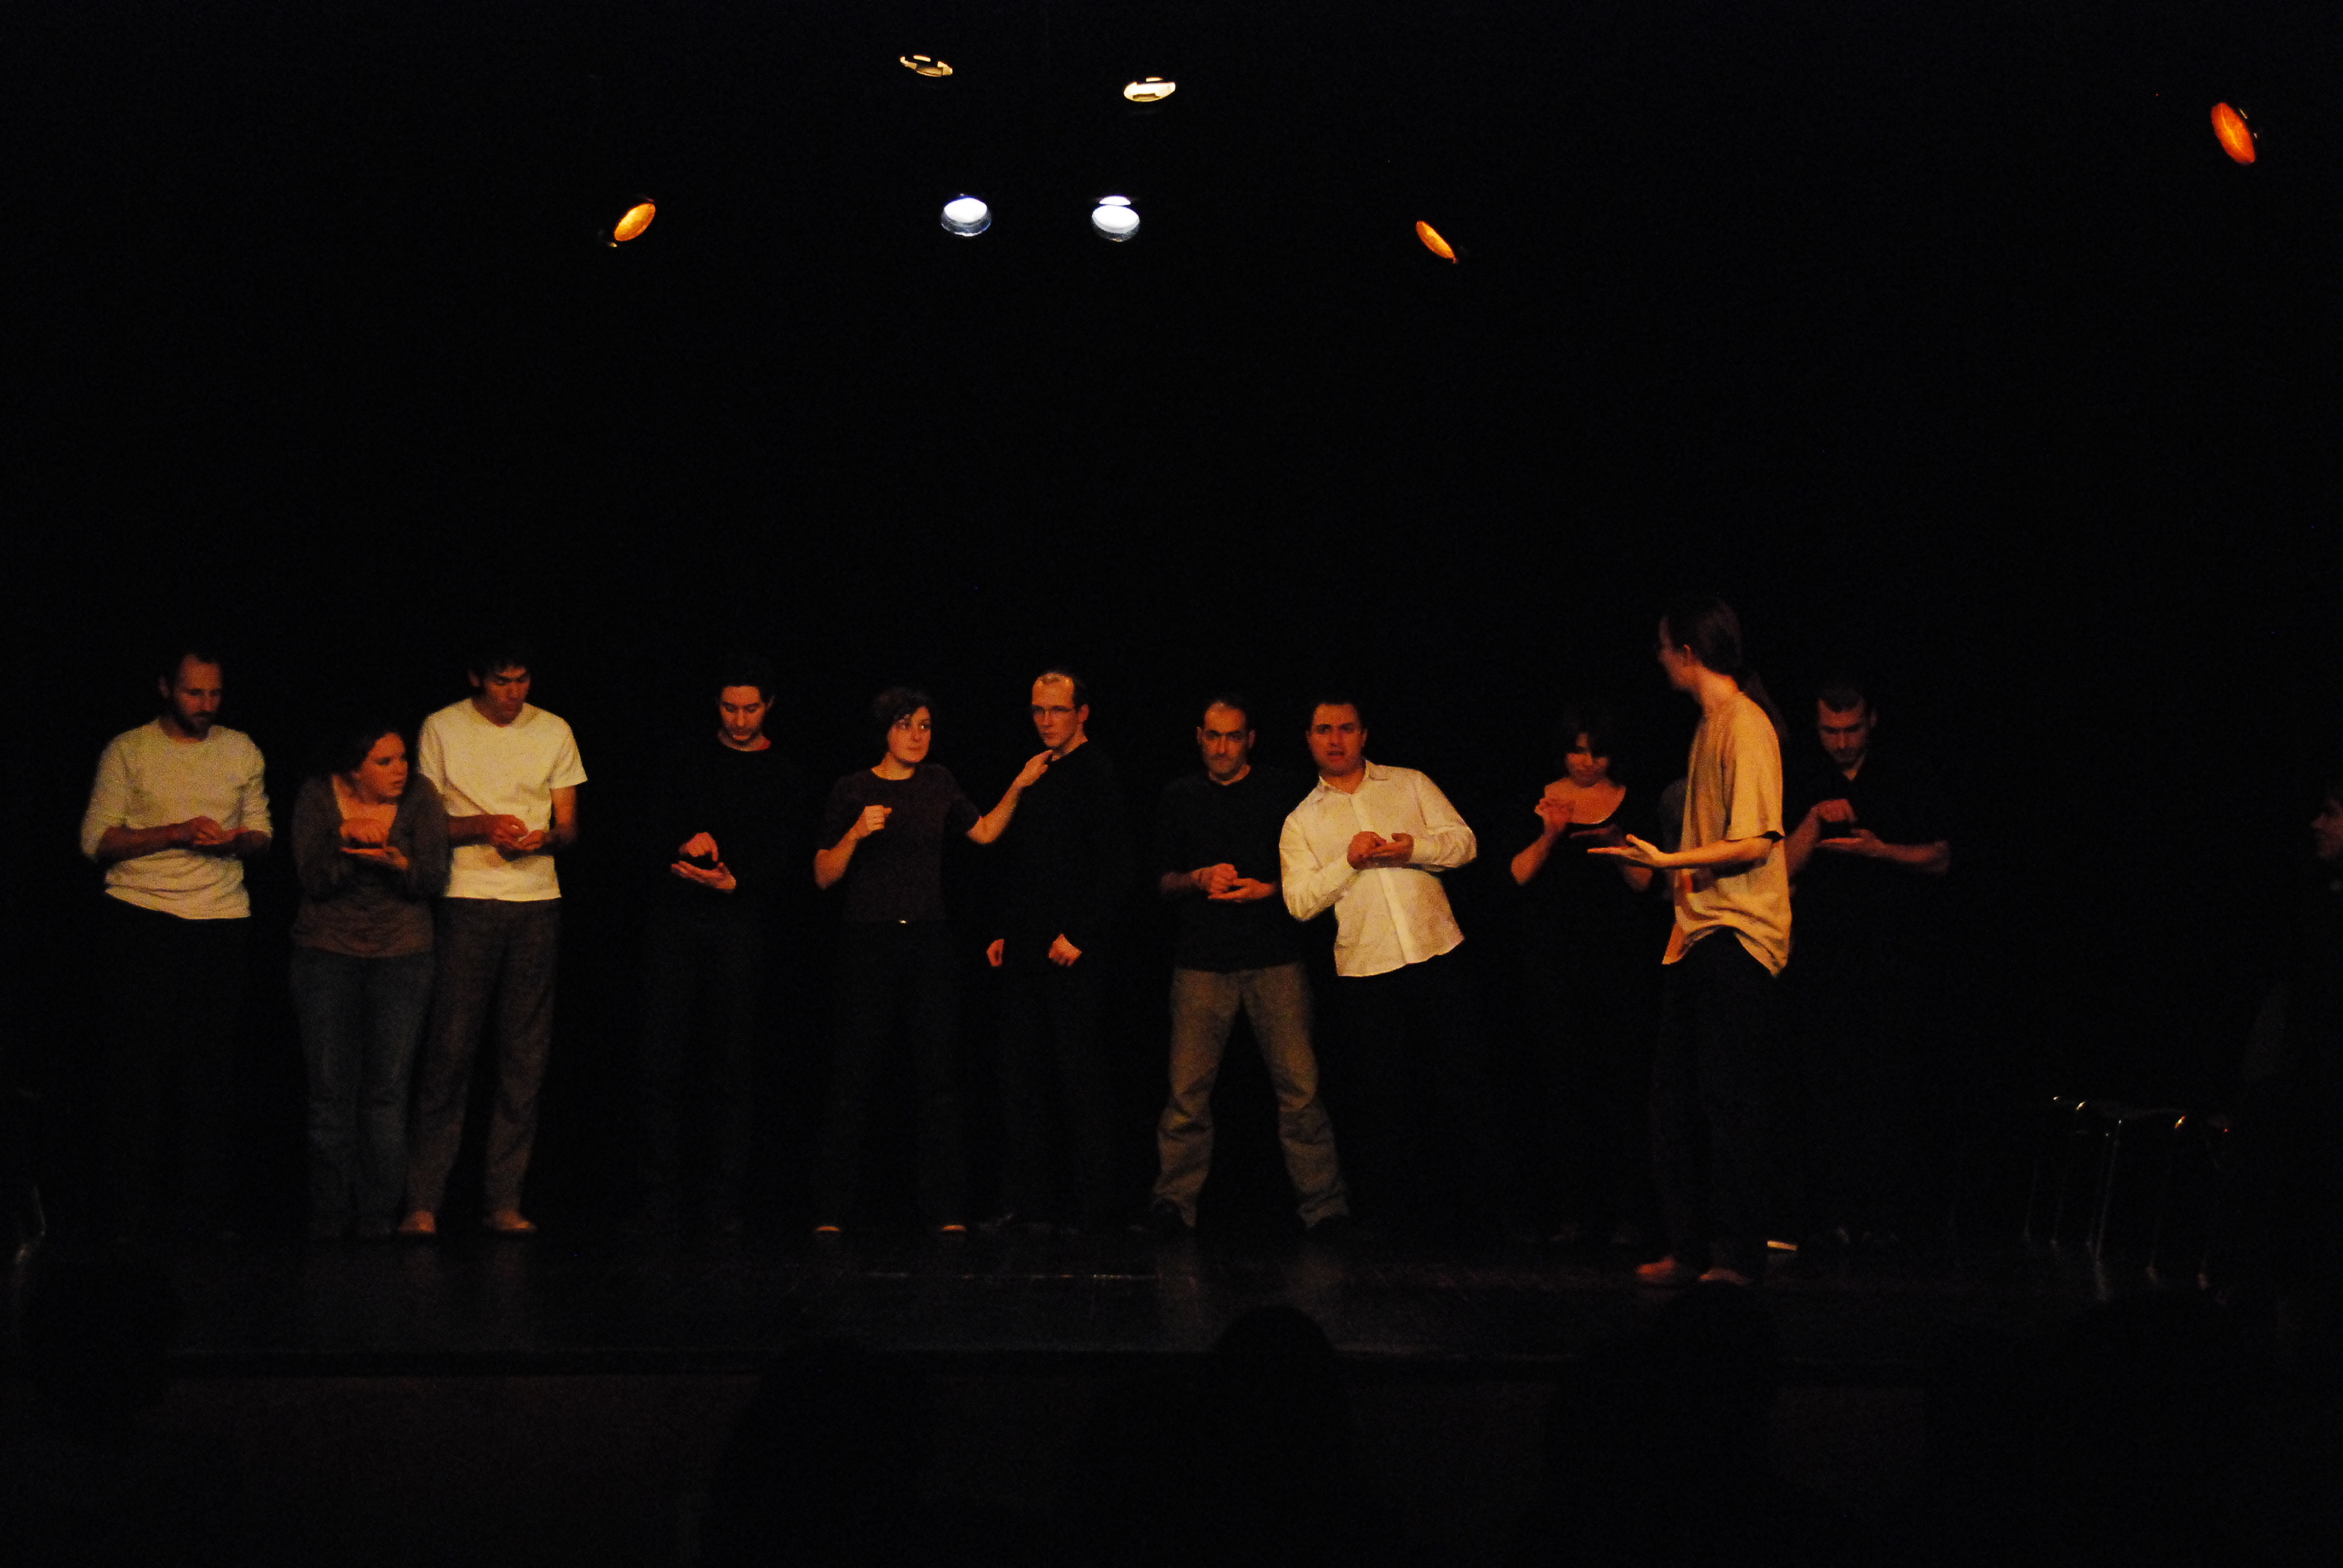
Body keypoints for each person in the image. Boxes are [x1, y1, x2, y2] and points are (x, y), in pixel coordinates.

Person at [1593, 596, 1791, 1286]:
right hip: (1697, 932)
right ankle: (1689, 1248)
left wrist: (1668, 860)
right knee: (1672, 1102)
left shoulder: (1746, 725)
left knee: (1728, 1100)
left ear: (1687, 652)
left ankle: (1735, 1256)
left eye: (1663, 646)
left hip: (1738, 932)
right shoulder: (1709, 725)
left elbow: (1755, 840)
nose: (1658, 658)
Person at [811, 687, 1047, 1235]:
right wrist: (855, 832)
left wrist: (1018, 785)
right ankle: (830, 1210)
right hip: (869, 941)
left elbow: (983, 832)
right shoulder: (854, 788)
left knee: (938, 1077)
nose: (918, 736)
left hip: (927, 942)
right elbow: (823, 875)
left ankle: (947, 1209)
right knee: (854, 1074)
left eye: (925, 726)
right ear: (884, 731)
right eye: (906, 725)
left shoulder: (939, 781)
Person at [1279, 697, 1502, 1232]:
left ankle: (1483, 1217)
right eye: (1324, 730)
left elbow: (1465, 843)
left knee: (1462, 1089)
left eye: (1346, 728)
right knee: (1382, 1105)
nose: (1336, 739)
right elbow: (1299, 902)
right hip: (1367, 972)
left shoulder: (1410, 783)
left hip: (1437, 954)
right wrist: (1347, 862)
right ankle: (1393, 1226)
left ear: (1364, 734)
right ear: (1309, 739)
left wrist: (1413, 849)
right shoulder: (1302, 820)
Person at [79, 647, 272, 1239]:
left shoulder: (240, 748)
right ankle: (129, 1211)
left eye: (215, 693)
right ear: (166, 688)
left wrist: (235, 842)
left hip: (220, 919)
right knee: (138, 1069)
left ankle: (202, 1212)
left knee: (209, 1073)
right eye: (194, 693)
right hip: (142, 916)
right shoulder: (130, 749)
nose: (207, 705)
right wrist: (177, 832)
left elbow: (262, 833)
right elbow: (96, 840)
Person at [401, 640, 585, 1238]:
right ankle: (424, 1201)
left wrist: (543, 839)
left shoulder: (553, 729)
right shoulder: (442, 727)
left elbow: (569, 826)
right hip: (466, 900)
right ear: (477, 677)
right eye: (502, 681)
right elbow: (423, 822)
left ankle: (504, 1200)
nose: (514, 693)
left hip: (536, 903)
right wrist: (484, 825)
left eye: (522, 680)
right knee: (450, 1052)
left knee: (524, 1059)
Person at [1146, 696, 1348, 1235]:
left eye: (1233, 736)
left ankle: (1324, 1207)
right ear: (1199, 737)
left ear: (1250, 740)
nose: (1222, 748)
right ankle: (1173, 1203)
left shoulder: (1282, 790)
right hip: (1201, 963)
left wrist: (1270, 890)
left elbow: (1319, 868)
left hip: (1275, 959)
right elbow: (1161, 881)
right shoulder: (1180, 796)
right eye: (1213, 736)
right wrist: (1197, 878)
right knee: (1187, 1096)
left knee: (1301, 1090)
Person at [634, 659, 811, 1236]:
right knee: (663, 1060)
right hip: (676, 924)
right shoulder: (685, 760)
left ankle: (725, 1200)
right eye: (731, 708)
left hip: (741, 928)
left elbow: (791, 859)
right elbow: (646, 830)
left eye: (750, 709)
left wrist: (738, 882)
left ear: (769, 706)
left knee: (732, 1065)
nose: (739, 720)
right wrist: (682, 841)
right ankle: (660, 1196)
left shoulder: (784, 774)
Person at [1779, 677, 1951, 1251]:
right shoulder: (1802, 776)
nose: (1842, 742)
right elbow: (1779, 870)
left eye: (1851, 729)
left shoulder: (1904, 775)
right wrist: (1813, 822)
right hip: (1822, 961)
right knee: (1824, 1087)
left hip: (1891, 959)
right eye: (1830, 731)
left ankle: (1885, 1215)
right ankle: (1829, 1214)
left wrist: (1881, 850)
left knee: (1887, 1087)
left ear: (1871, 721)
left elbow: (1940, 857)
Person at [1508, 704, 1666, 1247]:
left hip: (1618, 968)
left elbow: (1647, 884)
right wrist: (1551, 834)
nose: (1586, 762)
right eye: (1577, 751)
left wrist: (1620, 847)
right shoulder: (1541, 798)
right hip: (1554, 966)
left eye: (1597, 753)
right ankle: (1571, 1212)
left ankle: (1627, 1212)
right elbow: (1517, 874)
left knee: (1621, 1087)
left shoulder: (1633, 801)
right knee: (1562, 1087)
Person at [287, 720, 450, 1241]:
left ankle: (378, 1217)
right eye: (385, 762)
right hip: (326, 954)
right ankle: (329, 1216)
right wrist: (344, 841)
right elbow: (313, 879)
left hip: (402, 956)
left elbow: (432, 878)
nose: (400, 770)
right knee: (330, 1092)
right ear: (354, 770)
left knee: (387, 1093)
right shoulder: (319, 796)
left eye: (403, 759)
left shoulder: (420, 797)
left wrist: (398, 863)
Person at [985, 668, 1135, 1233]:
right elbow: (1023, 862)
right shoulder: (1037, 770)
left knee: (1080, 1077)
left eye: (1057, 710)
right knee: (1021, 1077)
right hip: (1026, 947)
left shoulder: (1098, 773)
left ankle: (1095, 1206)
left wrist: (1081, 935)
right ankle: (1031, 1204)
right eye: (1039, 711)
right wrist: (1005, 929)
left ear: (1082, 713)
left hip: (1072, 952)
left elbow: (1117, 867)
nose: (1047, 721)